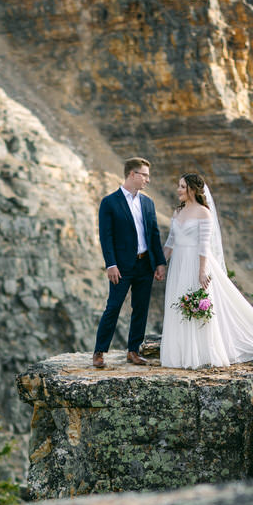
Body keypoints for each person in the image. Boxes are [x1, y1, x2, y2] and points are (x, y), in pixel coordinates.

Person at [160, 172, 253, 369]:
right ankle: (181, 354)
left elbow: (203, 245)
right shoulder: (178, 212)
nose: (178, 190)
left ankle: (201, 354)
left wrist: (202, 271)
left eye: (182, 186)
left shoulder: (203, 213)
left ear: (192, 189)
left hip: (196, 263)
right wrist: (160, 263)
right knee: (178, 304)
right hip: (178, 265)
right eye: (179, 186)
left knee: (197, 304)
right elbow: (170, 242)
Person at [92, 157, 168, 369]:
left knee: (141, 308)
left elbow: (153, 235)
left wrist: (159, 263)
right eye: (144, 175)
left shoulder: (148, 203)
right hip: (121, 267)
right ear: (132, 174)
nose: (147, 180)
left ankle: (133, 351)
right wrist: (111, 264)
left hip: (145, 265)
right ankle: (99, 352)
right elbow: (105, 236)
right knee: (113, 307)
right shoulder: (109, 202)